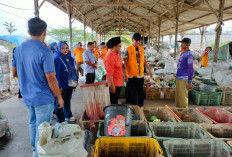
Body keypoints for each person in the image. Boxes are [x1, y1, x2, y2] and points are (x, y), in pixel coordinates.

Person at [12, 17, 64, 157]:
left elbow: (14, 72)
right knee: (43, 128)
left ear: (28, 31)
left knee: (33, 124)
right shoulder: (45, 51)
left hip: (27, 95)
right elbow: (51, 77)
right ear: (44, 32)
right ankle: (38, 154)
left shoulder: (18, 49)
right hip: (42, 97)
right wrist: (59, 97)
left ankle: (34, 150)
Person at [124, 33, 153, 107]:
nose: (138, 42)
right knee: (133, 94)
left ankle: (141, 109)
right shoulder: (128, 49)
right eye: (136, 41)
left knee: (141, 94)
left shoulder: (141, 48)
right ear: (132, 40)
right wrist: (125, 74)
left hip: (140, 76)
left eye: (139, 41)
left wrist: (149, 70)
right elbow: (125, 63)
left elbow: (144, 60)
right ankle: (134, 110)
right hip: (132, 76)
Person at [54, 41, 78, 122]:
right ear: (59, 49)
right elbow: (56, 75)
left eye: (66, 48)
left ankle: (68, 115)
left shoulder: (70, 58)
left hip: (70, 84)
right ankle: (60, 120)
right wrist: (59, 87)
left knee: (68, 100)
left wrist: (76, 80)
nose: (65, 50)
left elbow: (73, 70)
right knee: (60, 103)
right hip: (62, 85)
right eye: (63, 48)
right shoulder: (57, 59)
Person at [104, 37, 124, 104]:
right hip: (114, 84)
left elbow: (120, 65)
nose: (120, 47)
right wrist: (112, 86)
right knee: (112, 102)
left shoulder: (117, 53)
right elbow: (109, 73)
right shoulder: (109, 56)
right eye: (119, 46)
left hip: (119, 82)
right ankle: (113, 113)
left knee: (116, 100)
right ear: (114, 47)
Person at [176, 38, 194, 108]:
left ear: (188, 45)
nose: (181, 44)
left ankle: (183, 113)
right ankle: (178, 113)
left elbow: (190, 68)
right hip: (179, 78)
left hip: (184, 79)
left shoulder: (189, 55)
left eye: (183, 43)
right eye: (181, 43)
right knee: (178, 98)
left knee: (183, 98)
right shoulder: (182, 54)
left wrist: (189, 81)